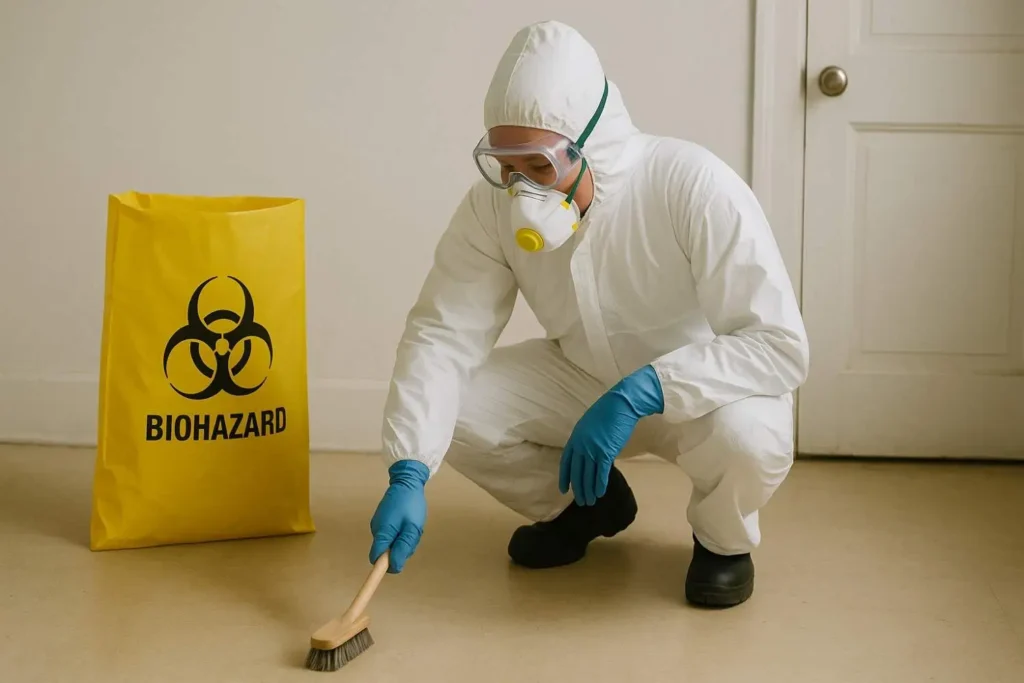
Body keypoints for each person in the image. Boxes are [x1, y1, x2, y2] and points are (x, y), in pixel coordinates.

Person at [367, 20, 809, 608]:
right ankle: (586, 507)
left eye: (540, 166)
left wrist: (644, 390)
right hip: (581, 377)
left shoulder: (690, 183)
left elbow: (778, 344)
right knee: (456, 410)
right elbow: (441, 334)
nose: (520, 189)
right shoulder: (489, 210)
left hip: (697, 389)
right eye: (505, 164)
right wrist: (409, 469)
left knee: (748, 436)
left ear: (591, 142)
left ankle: (721, 541)